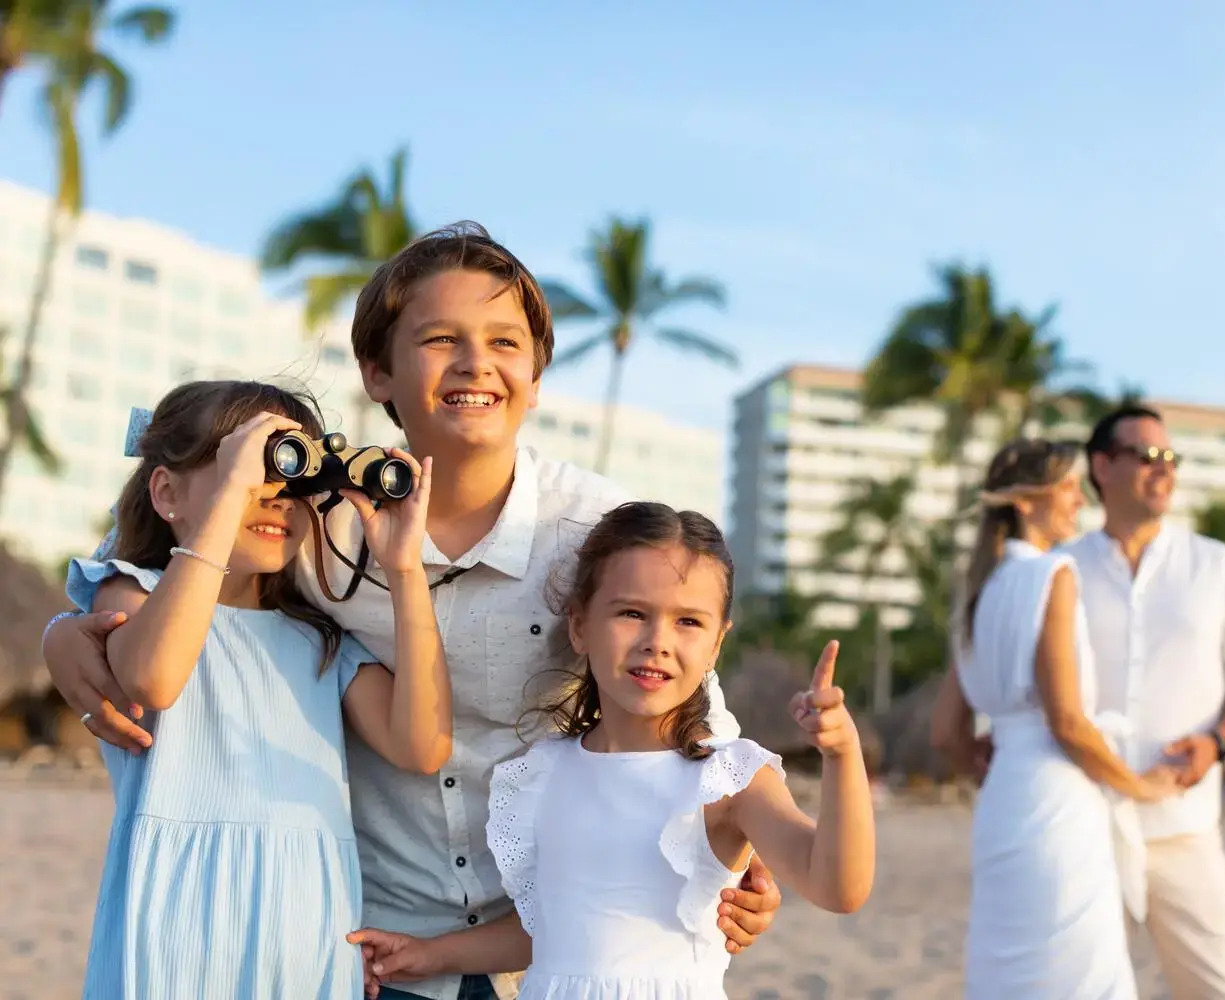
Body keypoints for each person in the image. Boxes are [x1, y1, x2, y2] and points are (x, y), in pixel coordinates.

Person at [42, 223, 781, 1000]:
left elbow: (694, 717)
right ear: (376, 373)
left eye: (505, 342)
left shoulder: (598, 535)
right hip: (365, 937)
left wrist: (740, 851)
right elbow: (168, 543)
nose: (475, 365)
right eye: (439, 339)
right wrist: (66, 634)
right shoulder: (306, 516)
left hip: (533, 932)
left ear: (536, 373)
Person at [346, 502, 876, 999]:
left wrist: (842, 755)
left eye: (688, 621)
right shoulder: (542, 773)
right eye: (631, 613)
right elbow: (548, 932)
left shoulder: (726, 779)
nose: (657, 641)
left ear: (717, 642)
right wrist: (427, 955)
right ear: (579, 625)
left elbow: (838, 887)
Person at [67, 380, 452, 999]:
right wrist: (227, 502)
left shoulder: (317, 641)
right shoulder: (131, 593)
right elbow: (155, 679)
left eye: (297, 483)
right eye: (253, 474)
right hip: (177, 926)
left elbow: (423, 745)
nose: (276, 500)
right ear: (167, 492)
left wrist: (405, 570)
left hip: (306, 929)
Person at [931, 439, 1180, 1000]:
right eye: (1067, 486)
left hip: (1003, 806)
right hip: (1058, 804)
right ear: (1024, 501)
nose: (1079, 500)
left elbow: (944, 732)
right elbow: (1067, 721)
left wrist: (988, 767)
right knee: (1078, 977)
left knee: (1010, 974)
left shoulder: (976, 593)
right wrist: (1140, 786)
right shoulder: (1053, 573)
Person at [1070, 404, 1225, 1000]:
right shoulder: (1061, 568)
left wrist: (1216, 744)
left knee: (1224, 991)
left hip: (1184, 824)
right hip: (1085, 825)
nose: (1163, 470)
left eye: (1171, 458)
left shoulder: (1217, 566)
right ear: (1103, 465)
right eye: (1146, 456)